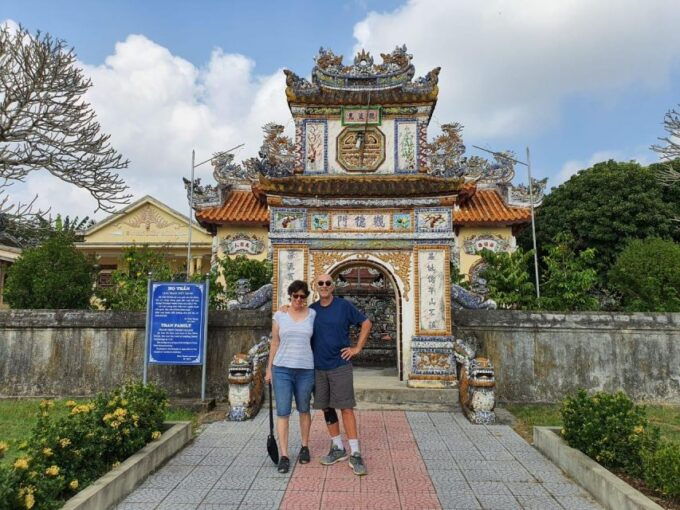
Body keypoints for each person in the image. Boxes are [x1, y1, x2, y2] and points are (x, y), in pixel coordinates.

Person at [311, 273, 372, 476]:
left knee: (346, 407)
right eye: (321, 283)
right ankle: (337, 447)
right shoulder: (311, 311)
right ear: (315, 286)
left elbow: (366, 323)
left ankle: (355, 452)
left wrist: (357, 348)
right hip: (318, 367)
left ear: (333, 286)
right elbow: (293, 316)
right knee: (326, 408)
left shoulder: (343, 306)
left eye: (328, 283)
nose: (324, 286)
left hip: (340, 364)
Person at [264, 280, 315, 473]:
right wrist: (269, 370)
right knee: (283, 411)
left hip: (305, 368)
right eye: (295, 296)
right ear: (290, 296)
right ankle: (284, 454)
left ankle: (304, 446)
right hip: (282, 368)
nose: (299, 300)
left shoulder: (313, 315)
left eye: (303, 296)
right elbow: (274, 343)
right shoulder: (280, 315)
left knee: (304, 408)